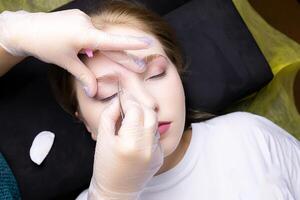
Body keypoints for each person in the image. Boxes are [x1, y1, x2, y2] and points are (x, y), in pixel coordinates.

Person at [1, 1, 299, 200]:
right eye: (107, 94)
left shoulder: (249, 136)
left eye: (156, 74)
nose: (145, 103)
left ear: (178, 75)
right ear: (84, 121)